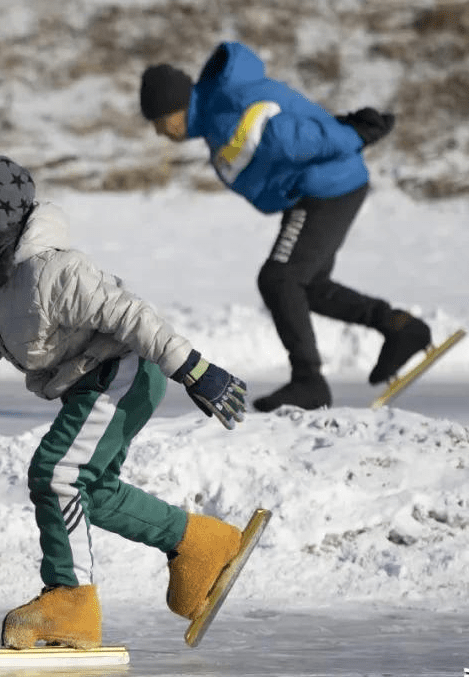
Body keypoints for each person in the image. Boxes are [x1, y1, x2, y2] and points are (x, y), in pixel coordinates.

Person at [0, 154, 248, 649]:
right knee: (89, 489)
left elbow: (131, 315)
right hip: (92, 381)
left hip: (126, 368)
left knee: (57, 473)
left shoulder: (55, 271)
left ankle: (71, 602)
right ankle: (200, 545)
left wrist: (192, 369)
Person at [139, 41, 432, 412]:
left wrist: (353, 135)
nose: (158, 132)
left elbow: (289, 137)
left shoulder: (223, 110)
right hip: (320, 188)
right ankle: (400, 327)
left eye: (158, 121)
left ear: (174, 109)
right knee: (306, 286)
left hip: (328, 187)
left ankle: (309, 381)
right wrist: (339, 129)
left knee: (280, 278)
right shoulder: (217, 116)